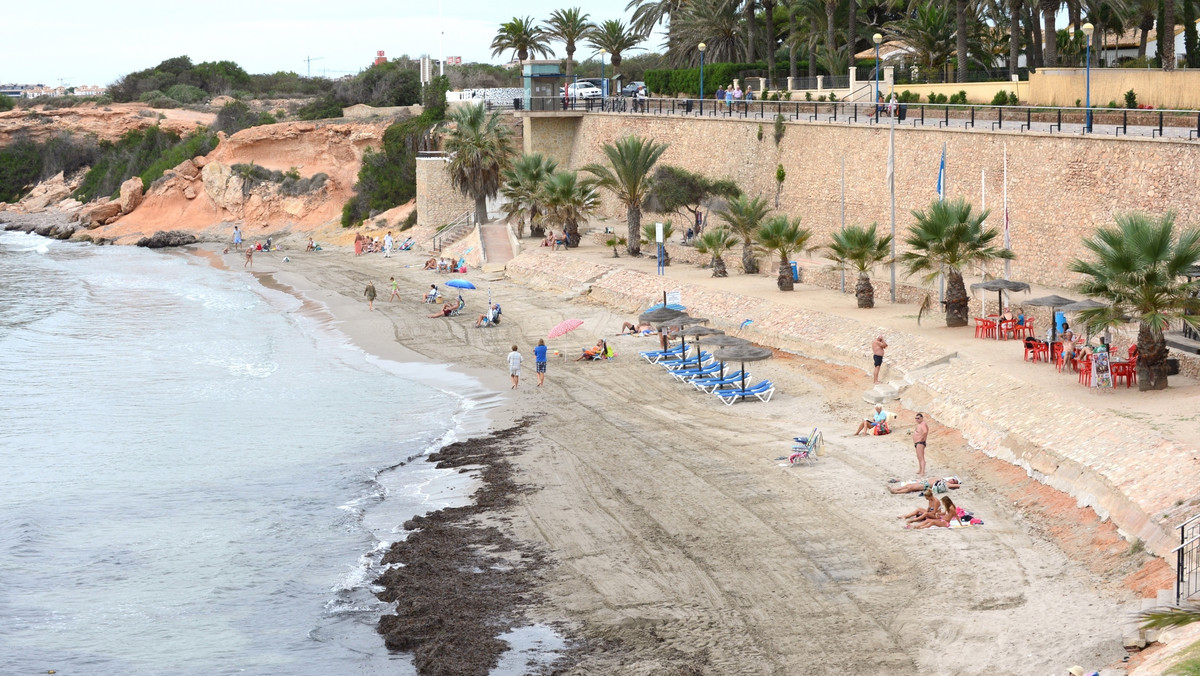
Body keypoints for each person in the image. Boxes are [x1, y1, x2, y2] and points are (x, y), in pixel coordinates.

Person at [888, 476, 963, 494]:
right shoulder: (945, 480)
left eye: (953, 480)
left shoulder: (947, 484)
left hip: (926, 485)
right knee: (910, 485)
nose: (951, 479)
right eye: (952, 478)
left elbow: (958, 486)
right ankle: (896, 489)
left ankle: (896, 492)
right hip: (925, 482)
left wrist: (959, 485)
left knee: (911, 487)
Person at [912, 412, 929, 477]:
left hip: (920, 442)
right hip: (917, 442)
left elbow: (925, 431)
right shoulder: (920, 424)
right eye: (916, 418)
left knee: (921, 457)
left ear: (922, 418)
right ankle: (920, 469)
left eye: (918, 418)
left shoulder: (923, 424)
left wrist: (923, 438)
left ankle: (922, 471)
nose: (917, 419)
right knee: (918, 456)